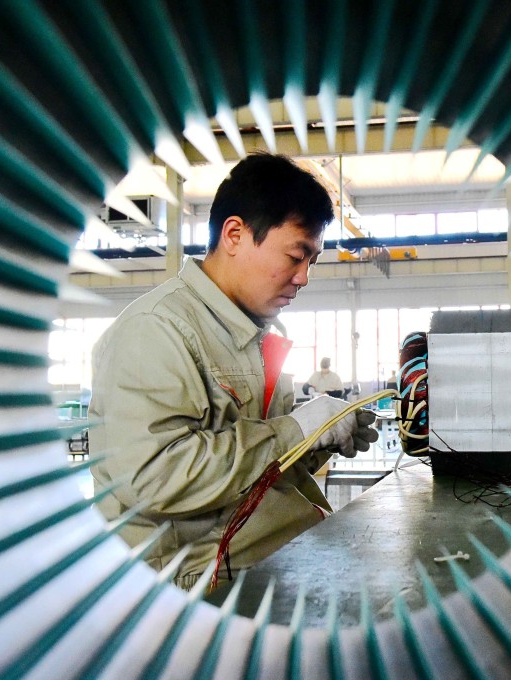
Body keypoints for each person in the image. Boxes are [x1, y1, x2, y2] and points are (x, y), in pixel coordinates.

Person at [88, 153, 378, 590]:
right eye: (297, 256)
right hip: (197, 580)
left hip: (262, 552)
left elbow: (253, 462)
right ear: (235, 234)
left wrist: (319, 441)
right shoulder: (158, 330)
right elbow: (153, 480)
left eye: (312, 262)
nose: (303, 278)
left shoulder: (253, 332)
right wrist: (294, 432)